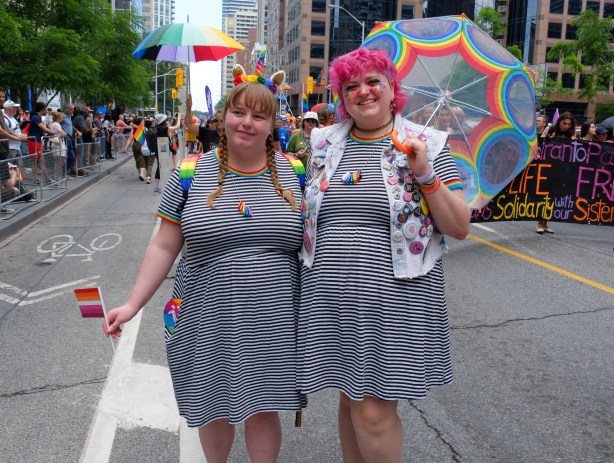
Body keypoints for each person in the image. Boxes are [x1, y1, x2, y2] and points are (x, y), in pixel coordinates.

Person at [103, 81, 306, 463]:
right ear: (224, 117)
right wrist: (132, 305)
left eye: (259, 116)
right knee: (212, 405)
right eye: (239, 112)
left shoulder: (296, 172)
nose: (247, 122)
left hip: (275, 317)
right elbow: (164, 245)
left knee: (264, 407)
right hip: (204, 313)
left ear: (271, 124)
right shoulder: (189, 172)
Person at [297, 48, 470, 463]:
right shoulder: (323, 142)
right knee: (349, 399)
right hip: (331, 298)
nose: (363, 91)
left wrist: (425, 173)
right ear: (342, 96)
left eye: (373, 81)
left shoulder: (426, 143)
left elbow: (459, 225)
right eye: (351, 86)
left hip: (395, 300)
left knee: (373, 413)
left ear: (393, 91)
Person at [536, 111, 576, 234]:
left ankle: (546, 223)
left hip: (561, 170)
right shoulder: (550, 130)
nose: (566, 126)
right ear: (559, 122)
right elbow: (540, 143)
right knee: (544, 195)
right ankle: (539, 222)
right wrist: (547, 135)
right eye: (564, 123)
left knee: (553, 197)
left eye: (569, 124)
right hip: (547, 167)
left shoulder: (570, 135)